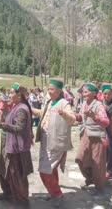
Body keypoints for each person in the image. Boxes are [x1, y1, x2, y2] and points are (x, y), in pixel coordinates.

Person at [33, 78, 76, 207]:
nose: (49, 91)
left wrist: (63, 114)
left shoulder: (64, 103)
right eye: (48, 89)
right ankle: (54, 194)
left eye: (52, 89)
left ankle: (57, 195)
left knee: (45, 171)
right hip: (45, 141)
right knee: (51, 170)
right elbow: (43, 114)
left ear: (59, 90)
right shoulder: (49, 102)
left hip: (56, 142)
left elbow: (72, 120)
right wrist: (30, 110)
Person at [0, 83, 34, 208]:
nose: (9, 95)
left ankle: (22, 203)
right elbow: (13, 122)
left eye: (11, 93)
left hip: (17, 148)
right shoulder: (16, 106)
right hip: (9, 145)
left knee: (17, 176)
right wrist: (2, 117)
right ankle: (9, 193)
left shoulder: (22, 108)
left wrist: (2, 124)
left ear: (19, 95)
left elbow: (19, 128)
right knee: (3, 169)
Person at [75, 83, 109, 196]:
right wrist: (71, 116)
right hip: (86, 134)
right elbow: (80, 118)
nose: (84, 93)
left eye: (86, 91)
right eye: (83, 92)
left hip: (97, 137)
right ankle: (90, 179)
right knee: (80, 158)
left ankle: (99, 187)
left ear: (94, 93)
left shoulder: (98, 106)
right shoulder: (84, 103)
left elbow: (106, 122)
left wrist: (94, 116)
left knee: (97, 163)